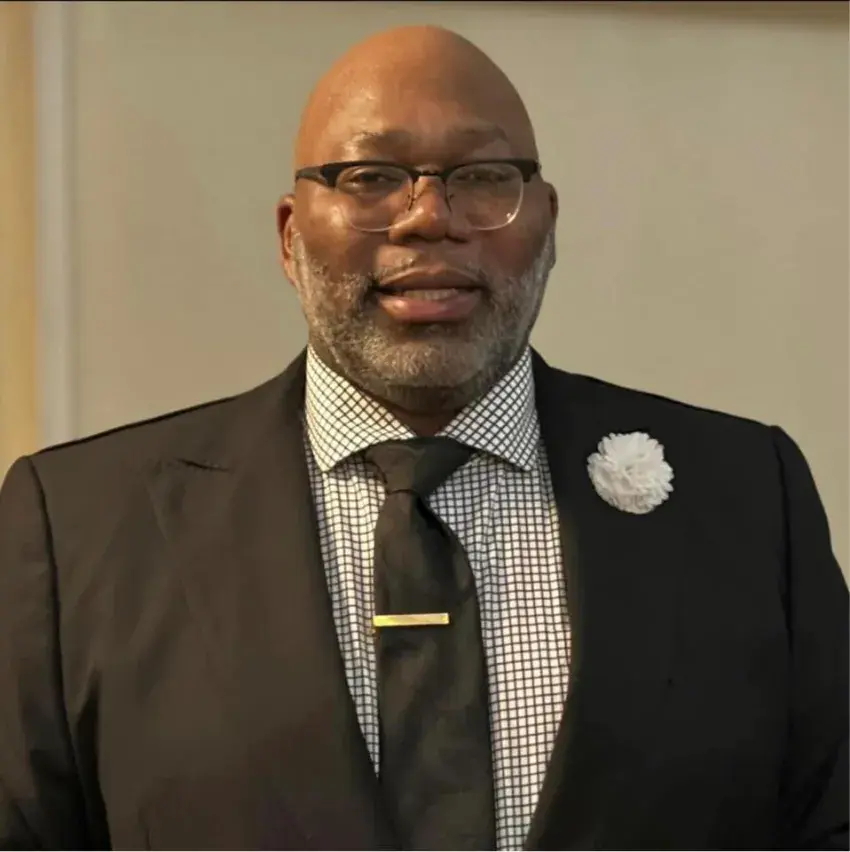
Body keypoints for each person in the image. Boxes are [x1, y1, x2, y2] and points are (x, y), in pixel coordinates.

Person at [0, 24, 846, 852]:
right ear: (290, 236)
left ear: (548, 224)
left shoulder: (745, 495)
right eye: (370, 177)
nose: (429, 218)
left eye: (481, 177)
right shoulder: (76, 529)